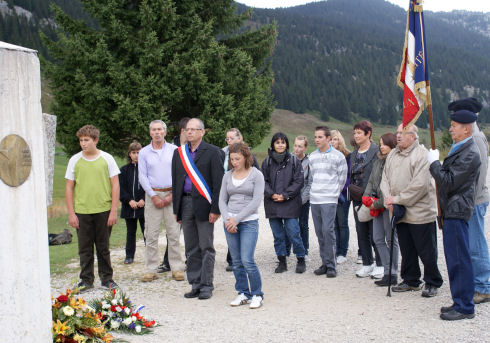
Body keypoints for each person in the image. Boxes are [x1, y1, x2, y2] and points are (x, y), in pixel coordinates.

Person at [428, 109, 481, 320]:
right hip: (452, 209)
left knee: (459, 259)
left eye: (454, 126)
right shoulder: (461, 148)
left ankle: (465, 307)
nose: (450, 129)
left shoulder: (470, 152)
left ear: (466, 128)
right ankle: (459, 300)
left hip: (457, 210)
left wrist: (434, 164)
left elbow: (449, 182)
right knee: (454, 258)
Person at [380, 124, 443, 297]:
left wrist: (397, 199)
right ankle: (410, 279)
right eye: (397, 132)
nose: (398, 136)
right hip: (398, 210)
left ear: (413, 136)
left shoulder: (422, 155)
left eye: (402, 133)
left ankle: (432, 282)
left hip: (419, 212)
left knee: (426, 250)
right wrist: (388, 199)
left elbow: (420, 186)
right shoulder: (393, 153)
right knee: (407, 249)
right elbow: (384, 178)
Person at [172, 118, 224, 300]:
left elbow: (218, 183)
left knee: (206, 246)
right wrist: (176, 209)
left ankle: (207, 285)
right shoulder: (179, 153)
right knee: (191, 247)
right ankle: (195, 283)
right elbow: (176, 182)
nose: (190, 132)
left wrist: (215, 209)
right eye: (188, 129)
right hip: (185, 204)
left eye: (194, 129)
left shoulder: (213, 152)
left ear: (202, 132)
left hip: (204, 204)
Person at [65, 125, 119, 292]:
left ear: (95, 140)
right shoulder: (74, 160)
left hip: (103, 210)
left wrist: (113, 210)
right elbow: (69, 187)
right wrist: (72, 213)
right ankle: (86, 280)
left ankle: (107, 279)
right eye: (81, 140)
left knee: (103, 247)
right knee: (84, 248)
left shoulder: (107, 158)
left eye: (86, 140)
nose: (83, 143)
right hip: (82, 211)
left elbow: (115, 185)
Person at [448, 98, 490, 305]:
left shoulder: (477, 139)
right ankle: (475, 283)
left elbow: (481, 175)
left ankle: (483, 286)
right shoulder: (467, 139)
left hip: (474, 200)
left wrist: (470, 200)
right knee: (470, 245)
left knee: (476, 245)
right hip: (467, 200)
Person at [219, 142, 265, 309]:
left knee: (247, 259)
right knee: (237, 261)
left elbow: (255, 201)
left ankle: (257, 294)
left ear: (246, 158)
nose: (234, 162)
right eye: (232, 159)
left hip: (248, 222)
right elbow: (222, 200)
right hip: (230, 223)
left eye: (237, 159)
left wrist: (236, 219)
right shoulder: (227, 176)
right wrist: (227, 219)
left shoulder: (256, 175)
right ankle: (243, 292)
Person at [138, 120, 185, 282]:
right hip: (153, 196)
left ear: (165, 132)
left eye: (160, 129)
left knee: (173, 233)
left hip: (172, 194)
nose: (157, 132)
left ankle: (176, 268)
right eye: (154, 130)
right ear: (150, 132)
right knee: (151, 233)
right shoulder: (144, 152)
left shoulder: (174, 150)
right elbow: (142, 176)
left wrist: (173, 195)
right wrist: (153, 196)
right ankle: (151, 269)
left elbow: (181, 174)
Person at [262, 132, 306, 273]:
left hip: (290, 203)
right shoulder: (267, 162)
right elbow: (263, 181)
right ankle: (282, 261)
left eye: (283, 142)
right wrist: (272, 194)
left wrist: (285, 195)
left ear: (286, 144)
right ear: (273, 145)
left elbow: (299, 181)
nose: (280, 145)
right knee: (278, 235)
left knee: (294, 233)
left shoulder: (294, 161)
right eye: (277, 142)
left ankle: (300, 258)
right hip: (272, 203)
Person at [310, 126, 348, 278]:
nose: (317, 140)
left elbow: (342, 177)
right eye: (315, 137)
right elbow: (311, 177)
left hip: (329, 199)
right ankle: (325, 263)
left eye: (320, 137)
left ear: (327, 138)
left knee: (328, 231)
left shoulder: (338, 156)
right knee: (320, 233)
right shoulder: (312, 156)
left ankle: (332, 265)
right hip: (315, 199)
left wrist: (334, 194)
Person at [363, 133, 399, 286]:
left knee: (391, 239)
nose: (382, 146)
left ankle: (393, 272)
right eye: (380, 143)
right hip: (376, 204)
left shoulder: (395, 161)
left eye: (385, 144)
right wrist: (367, 198)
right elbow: (371, 181)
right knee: (378, 238)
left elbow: (394, 186)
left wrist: (378, 203)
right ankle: (386, 270)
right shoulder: (378, 161)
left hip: (388, 204)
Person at [222, 128, 260, 271]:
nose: (229, 141)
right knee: (229, 224)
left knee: (239, 223)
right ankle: (233, 258)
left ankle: (237, 258)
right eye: (227, 138)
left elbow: (256, 174)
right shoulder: (223, 153)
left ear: (240, 138)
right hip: (228, 191)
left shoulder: (249, 155)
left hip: (245, 197)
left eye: (232, 138)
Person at [350, 121, 383, 278]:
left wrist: (374, 193)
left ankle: (381, 264)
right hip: (357, 197)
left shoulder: (377, 151)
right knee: (361, 230)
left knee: (375, 232)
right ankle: (367, 263)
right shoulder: (354, 153)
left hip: (372, 196)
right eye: (355, 133)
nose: (356, 136)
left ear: (368, 133)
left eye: (359, 133)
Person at [158, 117, 190, 274]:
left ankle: (191, 260)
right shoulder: (171, 149)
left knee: (191, 230)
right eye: (188, 129)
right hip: (174, 195)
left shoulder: (194, 149)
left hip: (191, 195)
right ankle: (168, 262)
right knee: (172, 230)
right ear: (183, 131)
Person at [285, 135, 311, 257]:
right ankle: (286, 250)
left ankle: (304, 250)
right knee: (288, 224)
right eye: (295, 145)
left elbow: (310, 183)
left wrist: (302, 199)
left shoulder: (309, 161)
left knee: (303, 225)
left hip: (303, 199)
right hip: (289, 198)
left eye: (300, 146)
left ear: (305, 148)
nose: (297, 148)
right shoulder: (287, 159)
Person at [119, 141, 145, 264]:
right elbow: (120, 188)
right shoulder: (124, 170)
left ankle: (150, 257)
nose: (136, 155)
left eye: (138, 153)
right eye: (133, 153)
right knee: (130, 232)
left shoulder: (146, 169)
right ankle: (129, 256)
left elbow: (149, 186)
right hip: (129, 206)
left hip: (143, 206)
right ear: (129, 154)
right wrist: (129, 200)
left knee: (147, 232)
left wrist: (143, 199)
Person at [330, 130, 351, 264]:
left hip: (342, 194)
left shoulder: (347, 155)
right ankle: (336, 250)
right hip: (329, 195)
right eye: (331, 139)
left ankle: (343, 252)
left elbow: (348, 177)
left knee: (342, 223)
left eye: (335, 139)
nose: (333, 142)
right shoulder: (326, 155)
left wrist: (338, 190)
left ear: (340, 140)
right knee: (334, 224)